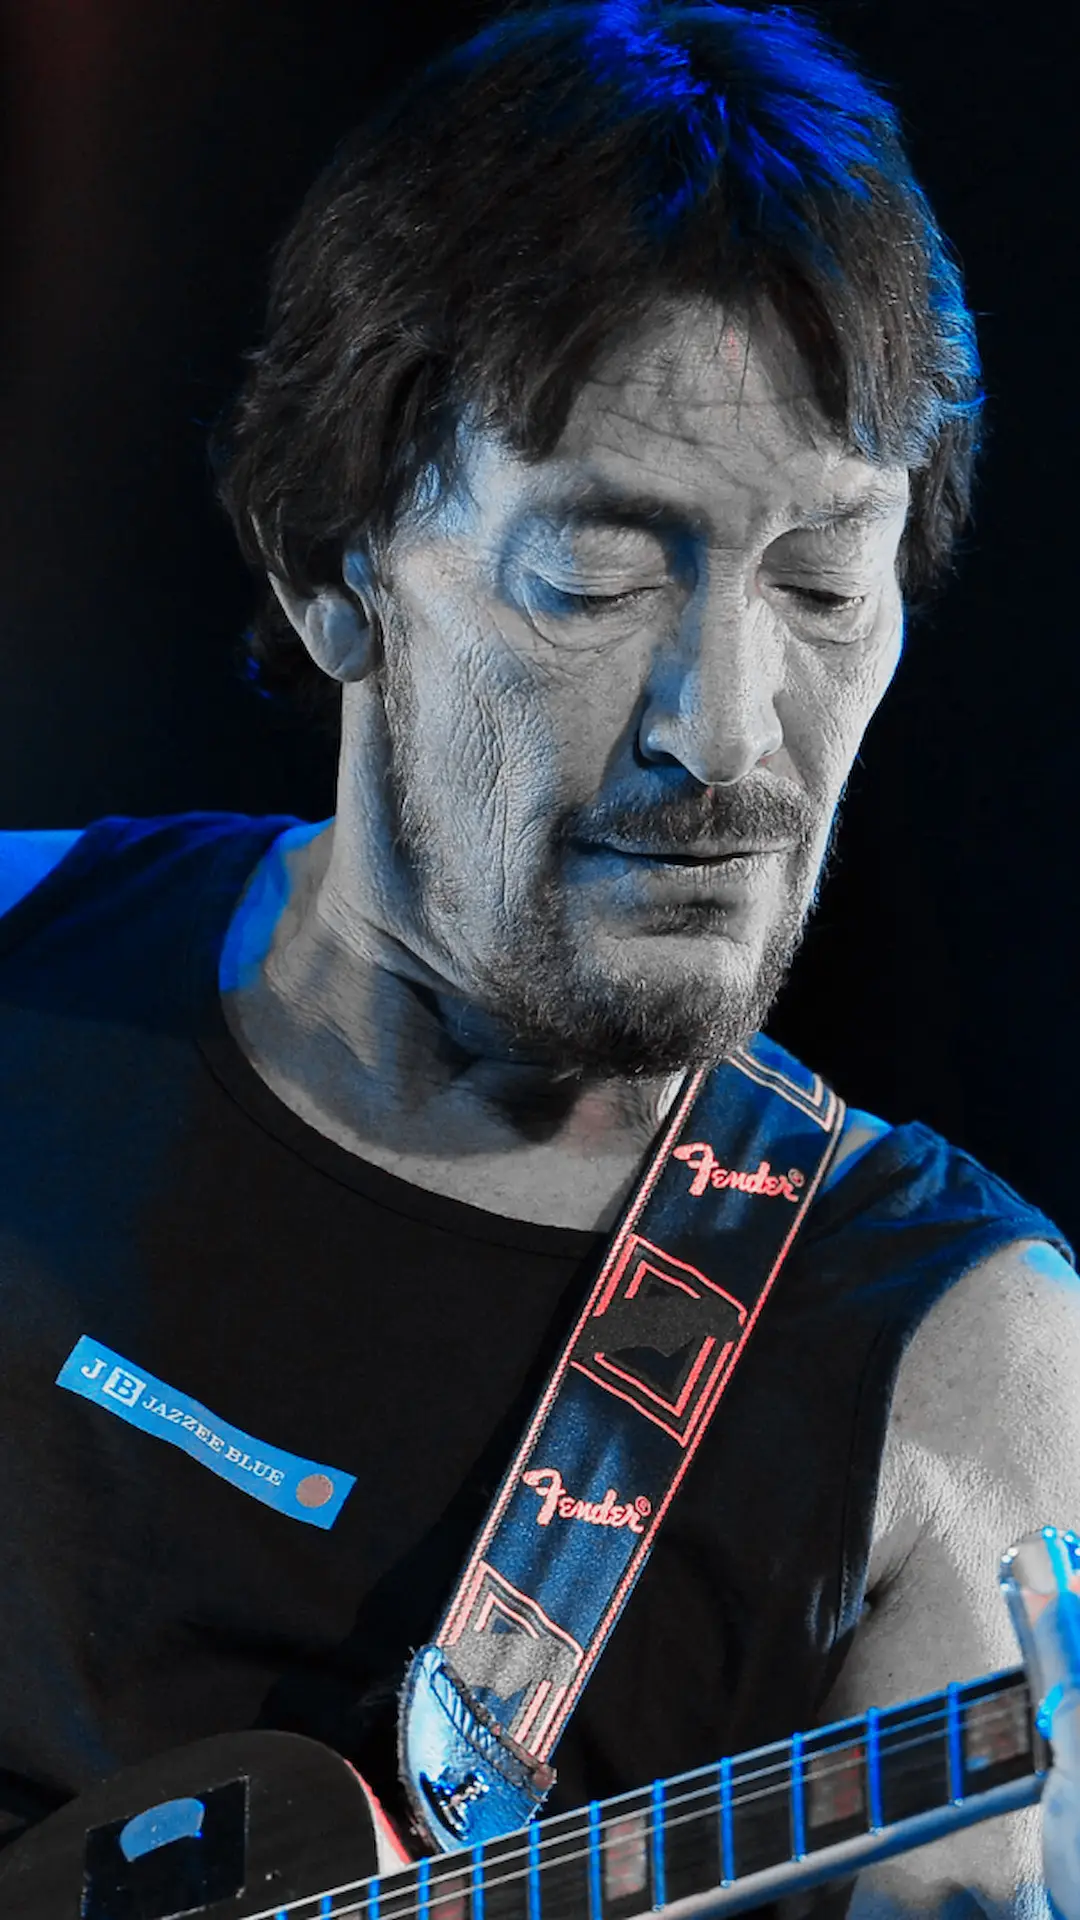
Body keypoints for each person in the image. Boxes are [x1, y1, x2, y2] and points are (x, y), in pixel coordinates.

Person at [0, 2, 1077, 1914]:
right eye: (597, 576)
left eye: (826, 584)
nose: (726, 731)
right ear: (332, 571)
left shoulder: (953, 1364)